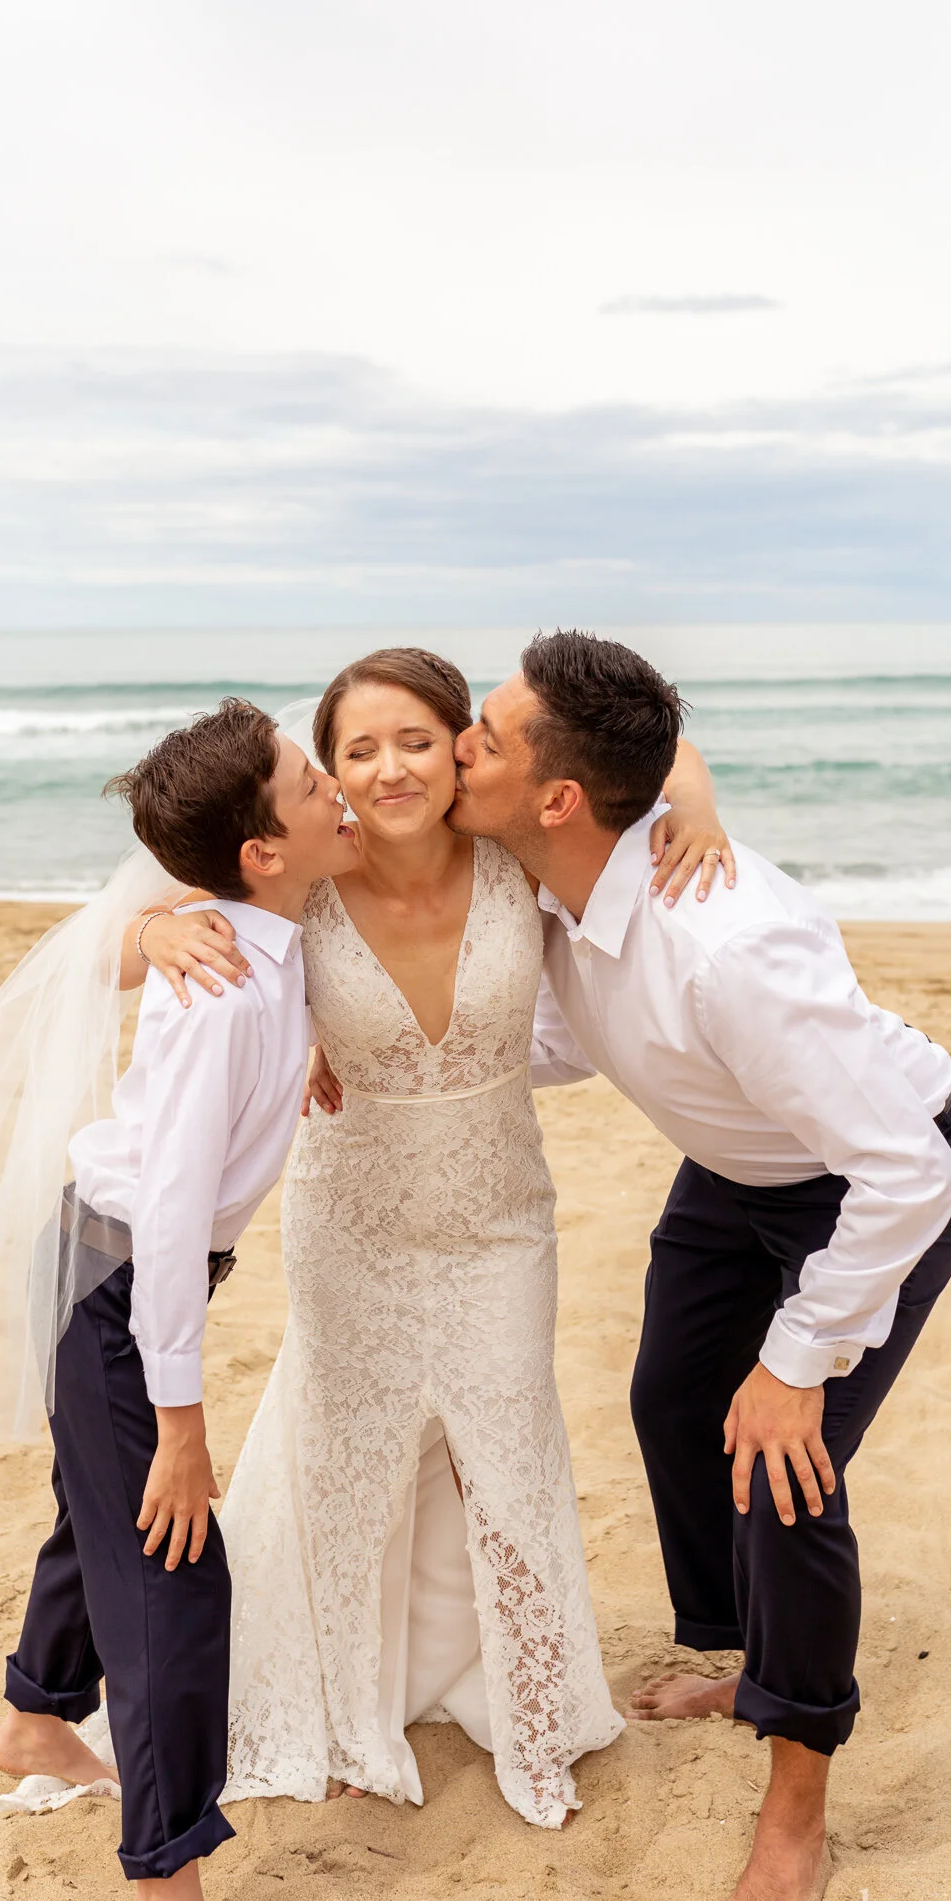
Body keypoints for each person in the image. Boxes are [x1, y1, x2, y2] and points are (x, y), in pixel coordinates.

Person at [443, 630, 951, 1901]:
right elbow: (583, 1024)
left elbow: (906, 1171)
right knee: (673, 1402)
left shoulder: (727, 947)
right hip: (735, 1160)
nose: (462, 747)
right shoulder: (558, 879)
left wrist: (801, 1356)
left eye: (487, 740)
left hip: (869, 1175)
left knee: (778, 1462)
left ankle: (794, 1817)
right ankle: (746, 1660)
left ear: (560, 798)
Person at [125, 648, 735, 1828]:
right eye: (357, 749)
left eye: (416, 739)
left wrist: (696, 809)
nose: (389, 766)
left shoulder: (511, 855)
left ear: (460, 746)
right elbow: (126, 940)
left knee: (510, 1449)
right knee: (348, 1463)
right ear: (332, 776)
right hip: (351, 1215)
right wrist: (155, 933)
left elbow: (652, 756)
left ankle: (538, 1711)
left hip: (502, 1214)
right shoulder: (299, 884)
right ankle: (355, 1713)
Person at [0, 700, 355, 1901]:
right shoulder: (224, 991)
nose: (335, 792)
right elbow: (169, 1224)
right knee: (174, 1573)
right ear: (262, 851)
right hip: (119, 1278)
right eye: (314, 781)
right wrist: (185, 1426)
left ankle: (38, 1719)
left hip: (96, 1262)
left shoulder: (261, 945)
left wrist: (299, 1042)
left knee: (98, 1516)